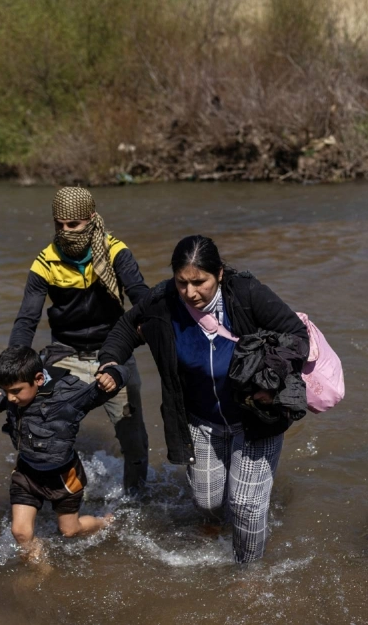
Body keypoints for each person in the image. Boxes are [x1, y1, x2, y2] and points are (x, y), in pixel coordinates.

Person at [98, 235, 308, 563]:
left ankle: (248, 574)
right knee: (206, 500)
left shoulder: (247, 294)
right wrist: (110, 362)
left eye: (200, 282)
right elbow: (126, 327)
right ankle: (213, 524)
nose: (191, 293)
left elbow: (297, 335)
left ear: (219, 274)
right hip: (199, 420)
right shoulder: (163, 301)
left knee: (246, 506)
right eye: (182, 283)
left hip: (255, 417)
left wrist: (271, 379)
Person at [8, 187, 150, 495]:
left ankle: (137, 501)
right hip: (65, 354)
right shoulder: (46, 261)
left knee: (133, 439)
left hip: (114, 352)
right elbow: (27, 320)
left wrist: (159, 326)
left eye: (73, 225)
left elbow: (140, 295)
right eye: (59, 224)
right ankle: (52, 493)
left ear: (91, 219)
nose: (65, 231)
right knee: (40, 424)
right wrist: (13, 365)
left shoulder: (115, 252)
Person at [0, 346, 127, 562]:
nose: (11, 398)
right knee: (20, 532)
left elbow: (100, 393)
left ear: (39, 379)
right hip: (27, 472)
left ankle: (105, 522)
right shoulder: (18, 395)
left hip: (63, 477)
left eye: (15, 391)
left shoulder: (67, 400)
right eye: (5, 391)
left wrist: (116, 375)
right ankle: (41, 572)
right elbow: (9, 399)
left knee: (70, 530)